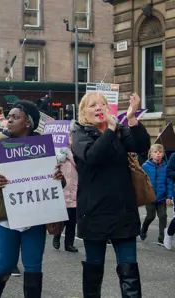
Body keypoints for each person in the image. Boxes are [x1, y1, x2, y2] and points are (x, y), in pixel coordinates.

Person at [0, 100, 66, 298]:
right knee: (6, 264)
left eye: (15, 117)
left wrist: (59, 179)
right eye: (9, 117)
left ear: (28, 123)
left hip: (34, 217)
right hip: (5, 216)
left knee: (33, 266)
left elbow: (52, 181)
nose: (9, 121)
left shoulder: (42, 145)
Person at [71, 92, 150, 297]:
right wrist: (111, 130)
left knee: (129, 270)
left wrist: (131, 118)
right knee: (93, 271)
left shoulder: (120, 130)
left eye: (102, 104)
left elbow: (141, 146)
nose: (99, 108)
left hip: (122, 211)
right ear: (83, 112)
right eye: (93, 105)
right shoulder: (79, 134)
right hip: (94, 212)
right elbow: (93, 156)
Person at [140, 144, 173, 245]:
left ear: (163, 154)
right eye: (155, 152)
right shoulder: (145, 166)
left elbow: (169, 183)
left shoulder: (165, 167)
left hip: (162, 197)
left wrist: (169, 196)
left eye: (160, 152)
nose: (158, 154)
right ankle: (144, 228)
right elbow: (141, 181)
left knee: (163, 216)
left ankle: (161, 238)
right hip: (150, 197)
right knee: (150, 216)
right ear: (151, 154)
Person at [53, 137, 78, 253]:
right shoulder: (57, 151)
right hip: (62, 191)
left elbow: (79, 165)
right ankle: (57, 236)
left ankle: (69, 244)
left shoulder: (76, 152)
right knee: (62, 220)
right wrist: (58, 158)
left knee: (72, 222)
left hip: (74, 190)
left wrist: (69, 154)